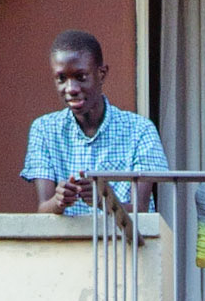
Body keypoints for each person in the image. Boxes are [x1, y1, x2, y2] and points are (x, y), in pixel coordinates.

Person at [22, 31, 168, 216]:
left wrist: (103, 200)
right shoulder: (43, 130)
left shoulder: (140, 130)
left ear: (102, 74)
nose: (71, 89)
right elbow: (43, 209)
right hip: (65, 236)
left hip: (123, 236)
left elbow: (141, 212)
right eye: (61, 79)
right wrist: (58, 202)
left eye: (81, 77)